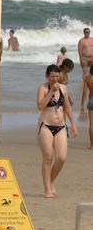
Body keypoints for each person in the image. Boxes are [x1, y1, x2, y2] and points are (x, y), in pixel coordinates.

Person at [36, 64, 77, 198]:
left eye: (57, 76)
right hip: (46, 125)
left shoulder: (64, 88)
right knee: (48, 157)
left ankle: (51, 181)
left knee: (61, 158)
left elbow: (67, 107)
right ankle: (47, 189)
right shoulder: (42, 88)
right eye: (52, 76)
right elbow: (40, 106)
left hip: (61, 127)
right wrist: (50, 92)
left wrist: (73, 124)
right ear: (47, 76)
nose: (55, 79)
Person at [78, 28, 93, 112]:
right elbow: (79, 51)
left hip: (92, 59)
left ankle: (90, 102)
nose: (87, 33)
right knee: (85, 81)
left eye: (88, 32)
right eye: (86, 32)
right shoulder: (81, 41)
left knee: (92, 80)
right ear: (83, 32)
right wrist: (81, 60)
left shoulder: (92, 39)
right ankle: (82, 105)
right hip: (85, 59)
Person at [85, 65, 93, 149]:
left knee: (91, 124)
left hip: (90, 101)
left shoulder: (87, 78)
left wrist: (81, 105)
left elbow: (84, 92)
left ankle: (91, 145)